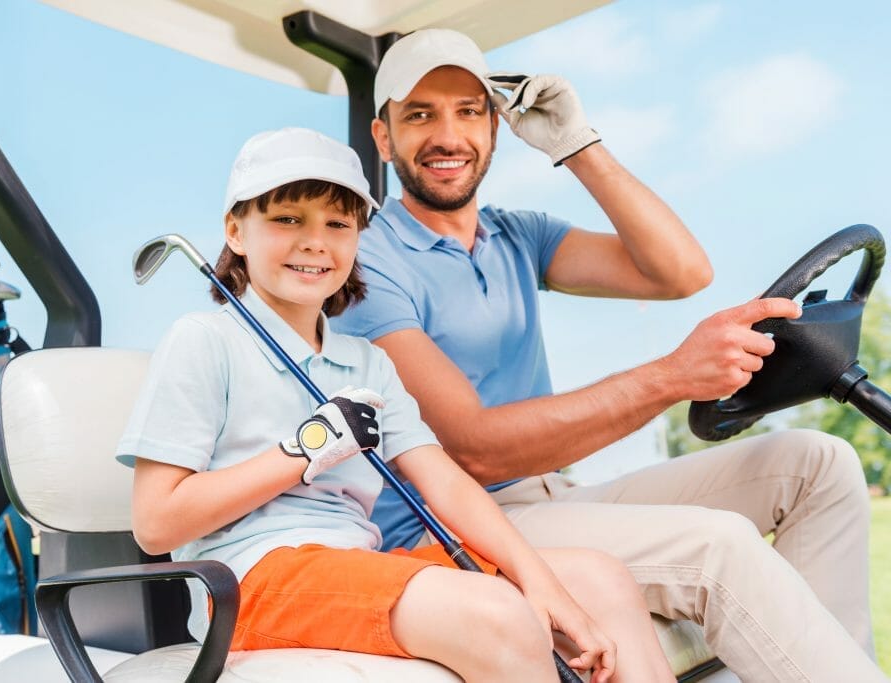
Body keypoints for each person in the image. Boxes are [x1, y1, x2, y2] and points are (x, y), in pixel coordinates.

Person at [331, 28, 887, 682]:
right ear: (383, 137)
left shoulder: (516, 235)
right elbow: (475, 448)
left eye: (468, 110)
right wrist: (674, 375)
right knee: (720, 547)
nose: (447, 135)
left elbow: (680, 271)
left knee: (816, 461)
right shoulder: (366, 260)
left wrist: (578, 146)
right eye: (419, 115)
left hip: (557, 498)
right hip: (455, 530)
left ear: (495, 128)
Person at [115, 127, 677, 682]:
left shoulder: (367, 363)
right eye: (288, 219)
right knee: (497, 616)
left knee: (598, 580)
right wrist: (306, 449)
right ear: (236, 230)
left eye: (338, 224)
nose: (315, 241)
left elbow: (447, 484)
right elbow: (157, 525)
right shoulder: (204, 339)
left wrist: (540, 581)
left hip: (360, 564)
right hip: (248, 583)